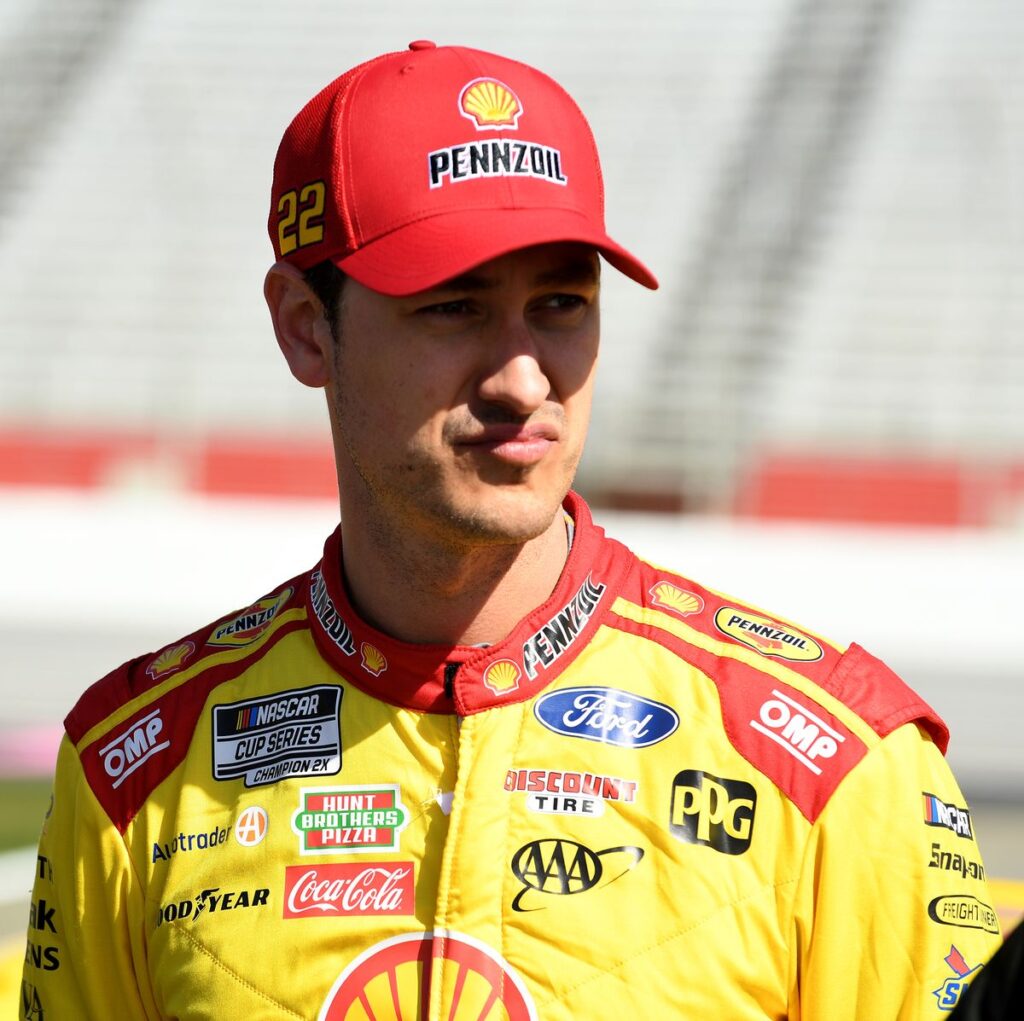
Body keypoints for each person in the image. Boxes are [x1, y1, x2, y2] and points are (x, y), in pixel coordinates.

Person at [20, 41, 1002, 1021]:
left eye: (561, 305)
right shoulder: (134, 769)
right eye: (453, 308)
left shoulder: (831, 760)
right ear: (305, 327)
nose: (523, 381)